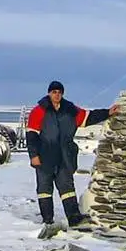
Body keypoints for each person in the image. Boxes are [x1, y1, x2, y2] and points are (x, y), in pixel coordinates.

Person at [25, 80, 117, 229]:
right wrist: (33, 155)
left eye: (59, 92)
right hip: (44, 156)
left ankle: (74, 219)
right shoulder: (39, 111)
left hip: (64, 157)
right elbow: (31, 135)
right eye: (54, 92)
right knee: (44, 190)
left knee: (67, 188)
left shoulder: (70, 110)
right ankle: (47, 220)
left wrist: (107, 113)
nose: (57, 95)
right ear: (49, 93)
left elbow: (89, 117)